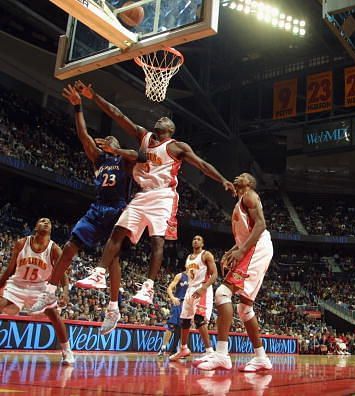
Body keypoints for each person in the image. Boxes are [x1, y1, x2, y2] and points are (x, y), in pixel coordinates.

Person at [72, 80, 236, 335]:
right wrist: (93, 96)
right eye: (159, 118)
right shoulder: (144, 136)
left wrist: (223, 179)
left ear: (170, 129)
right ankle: (99, 273)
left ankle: (148, 285)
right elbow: (118, 114)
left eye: (164, 119)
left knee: (157, 241)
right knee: (118, 231)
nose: (160, 119)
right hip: (142, 194)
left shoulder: (177, 147)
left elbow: (202, 165)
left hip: (163, 196)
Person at [30, 85, 135, 317]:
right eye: (105, 140)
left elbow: (137, 155)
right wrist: (78, 107)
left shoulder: (125, 161)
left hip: (118, 209)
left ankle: (113, 307)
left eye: (112, 141)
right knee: (69, 246)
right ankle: (49, 292)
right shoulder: (98, 159)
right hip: (98, 208)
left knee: (114, 259)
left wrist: (118, 150)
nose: (106, 142)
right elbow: (83, 136)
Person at [197, 173, 274, 372]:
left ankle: (222, 354)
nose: (238, 176)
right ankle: (261, 358)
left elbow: (261, 225)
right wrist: (232, 251)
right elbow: (246, 235)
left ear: (250, 182)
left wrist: (241, 251)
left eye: (244, 175)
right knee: (244, 309)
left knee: (222, 293)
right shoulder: (240, 201)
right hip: (254, 247)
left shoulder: (250, 195)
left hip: (258, 247)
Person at [0, 218, 75, 365]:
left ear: (51, 230)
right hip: (17, 284)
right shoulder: (22, 243)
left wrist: (65, 293)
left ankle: (67, 352)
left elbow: (63, 274)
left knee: (54, 314)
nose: (46, 222)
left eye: (49, 222)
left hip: (40, 288)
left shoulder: (54, 249)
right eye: (42, 220)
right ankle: (15, 307)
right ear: (35, 226)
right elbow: (10, 269)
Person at [169, 235, 217, 363]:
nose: (195, 240)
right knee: (184, 321)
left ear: (202, 243)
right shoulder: (189, 258)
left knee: (199, 319)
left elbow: (215, 274)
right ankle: (183, 348)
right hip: (190, 289)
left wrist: (204, 287)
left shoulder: (206, 255)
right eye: (194, 239)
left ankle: (210, 351)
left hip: (202, 288)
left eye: (199, 239)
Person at [159, 262, 191, 356]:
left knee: (182, 328)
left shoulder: (194, 279)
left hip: (187, 305)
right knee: (171, 326)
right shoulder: (180, 275)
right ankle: (163, 348)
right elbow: (169, 288)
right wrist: (172, 298)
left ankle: (179, 350)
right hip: (178, 303)